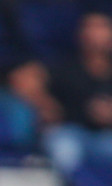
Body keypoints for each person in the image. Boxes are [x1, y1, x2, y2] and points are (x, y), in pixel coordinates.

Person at [12, 10, 112, 175]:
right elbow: (20, 77)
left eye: (102, 27)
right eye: (89, 27)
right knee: (65, 151)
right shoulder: (66, 66)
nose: (95, 33)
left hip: (105, 136)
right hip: (69, 131)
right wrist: (45, 103)